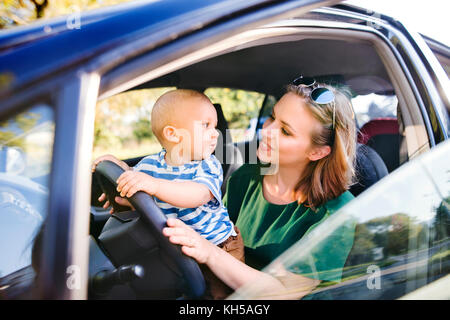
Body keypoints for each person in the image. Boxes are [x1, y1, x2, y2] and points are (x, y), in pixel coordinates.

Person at [162, 77, 358, 299]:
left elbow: (283, 292)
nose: (266, 131)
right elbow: (214, 232)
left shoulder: (337, 215)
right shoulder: (246, 178)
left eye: (285, 131)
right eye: (273, 117)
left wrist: (209, 254)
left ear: (317, 152)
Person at [92, 89, 244, 299]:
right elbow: (133, 178)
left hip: (221, 247)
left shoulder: (207, 165)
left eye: (215, 127)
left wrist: (154, 186)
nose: (215, 134)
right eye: (206, 125)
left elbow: (198, 195)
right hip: (183, 249)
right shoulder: (151, 165)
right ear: (173, 134)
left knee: (223, 296)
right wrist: (115, 165)